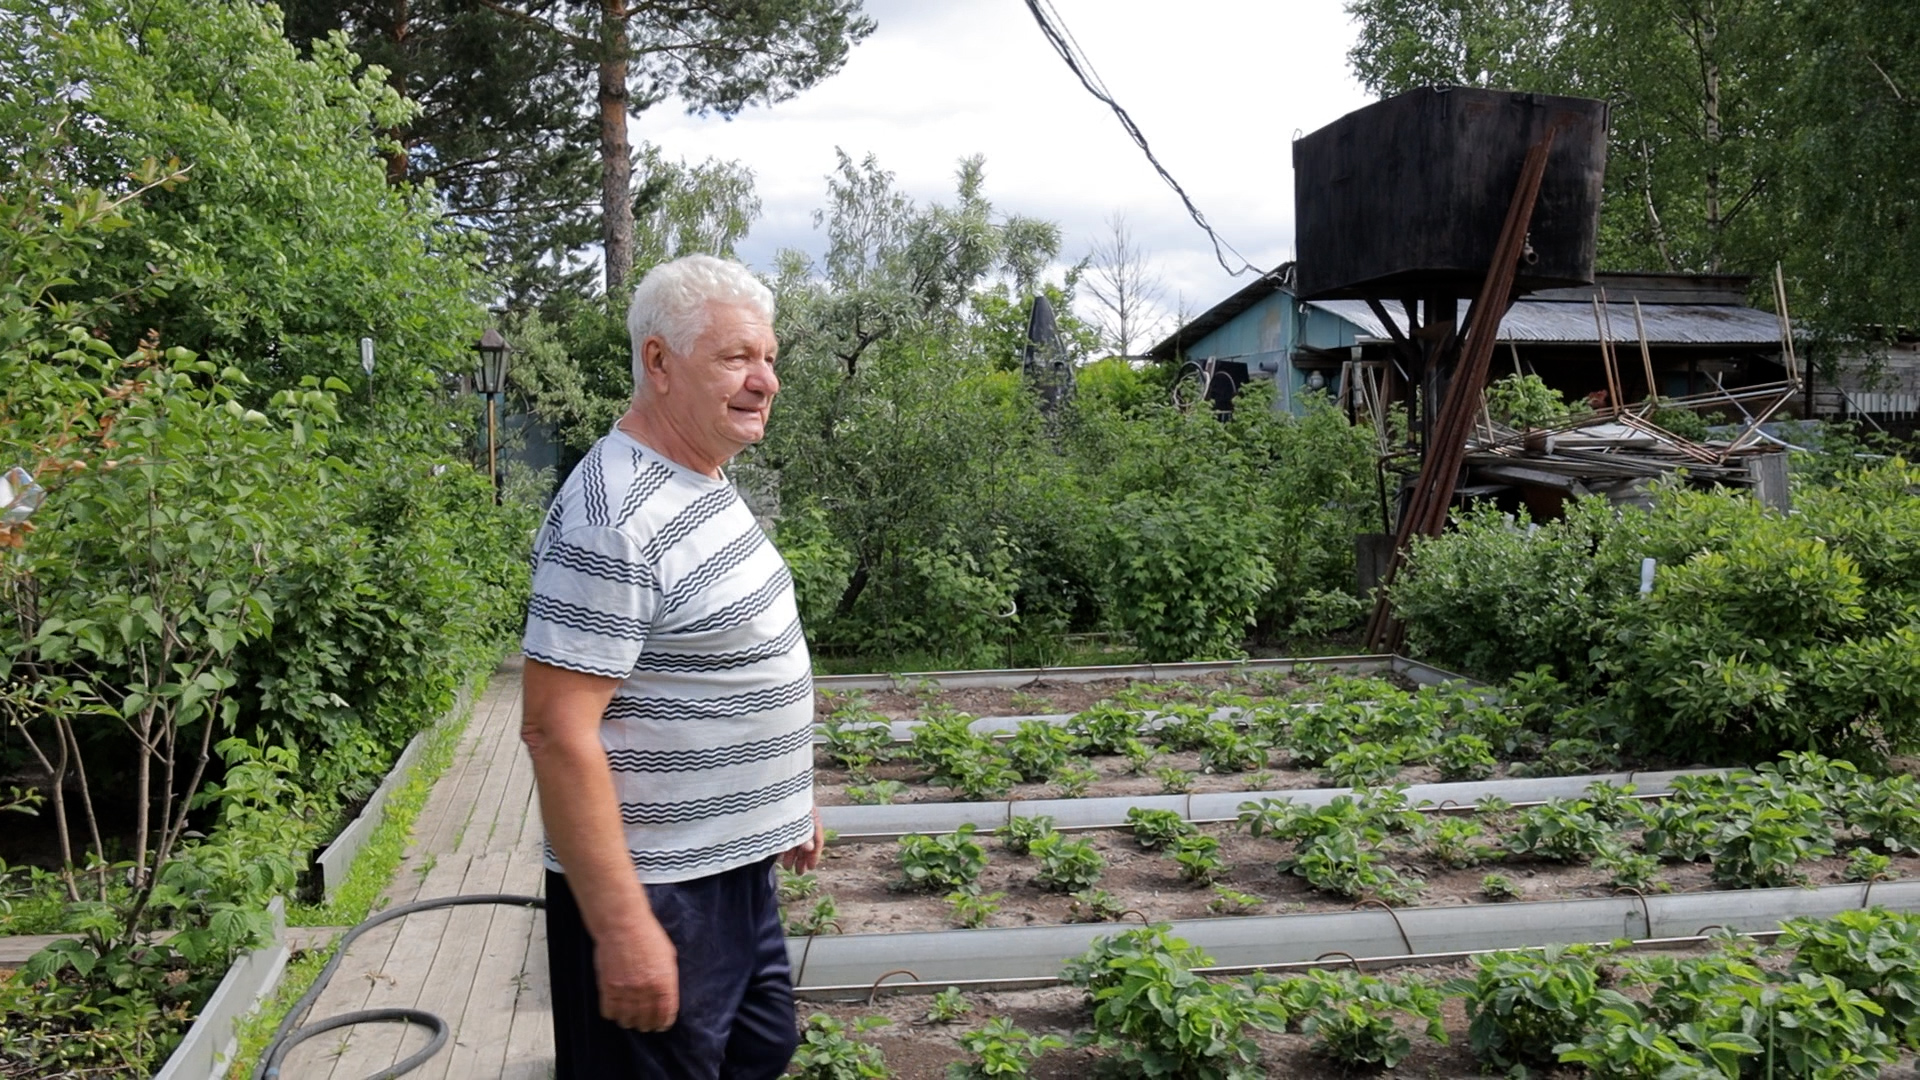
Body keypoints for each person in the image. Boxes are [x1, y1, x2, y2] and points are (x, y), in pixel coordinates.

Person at [519, 254, 820, 1079]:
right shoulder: (611, 519)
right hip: (658, 888)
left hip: (732, 870)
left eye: (769, 358)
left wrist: (786, 799)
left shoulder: (700, 478)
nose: (765, 381)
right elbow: (554, 730)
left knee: (761, 1051)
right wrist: (621, 928)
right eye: (736, 358)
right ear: (658, 362)